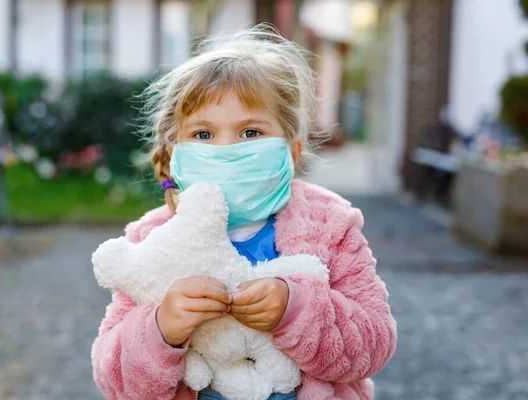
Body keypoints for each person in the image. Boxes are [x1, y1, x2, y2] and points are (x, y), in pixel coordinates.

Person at [91, 24, 397, 400]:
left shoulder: (332, 226)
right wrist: (159, 329)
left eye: (250, 132)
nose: (226, 150)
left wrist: (297, 310)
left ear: (293, 151)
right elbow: (113, 378)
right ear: (174, 156)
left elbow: (374, 343)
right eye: (203, 134)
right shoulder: (150, 239)